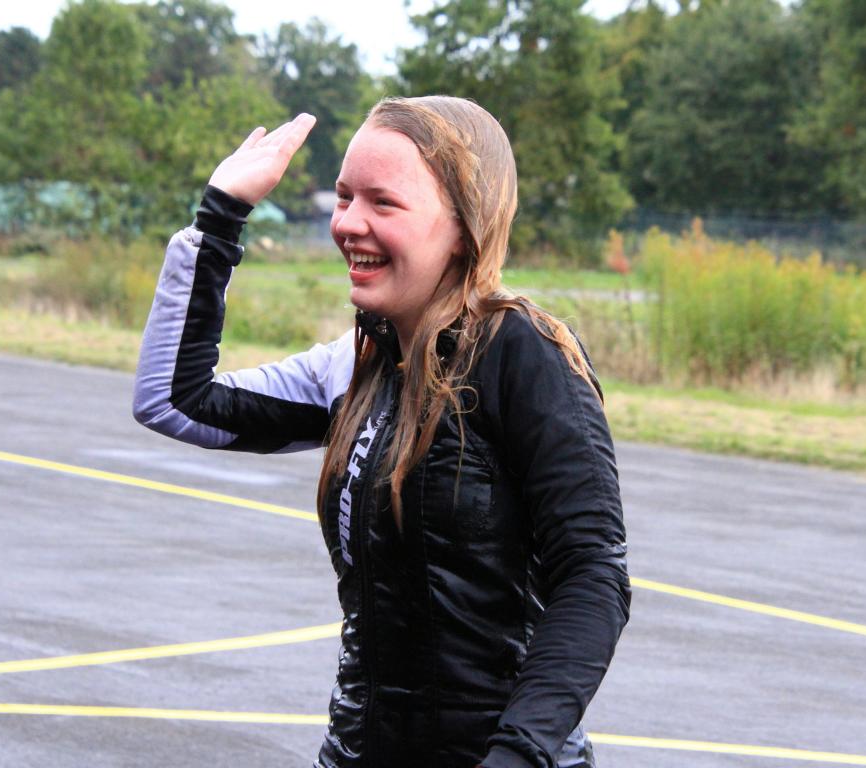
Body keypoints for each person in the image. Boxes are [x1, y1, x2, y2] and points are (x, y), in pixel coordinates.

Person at [133, 96, 631, 768]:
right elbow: (176, 399)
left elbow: (593, 574)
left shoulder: (523, 354)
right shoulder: (359, 361)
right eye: (343, 197)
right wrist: (220, 216)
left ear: (464, 227)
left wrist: (520, 753)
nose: (347, 223)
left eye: (382, 203)